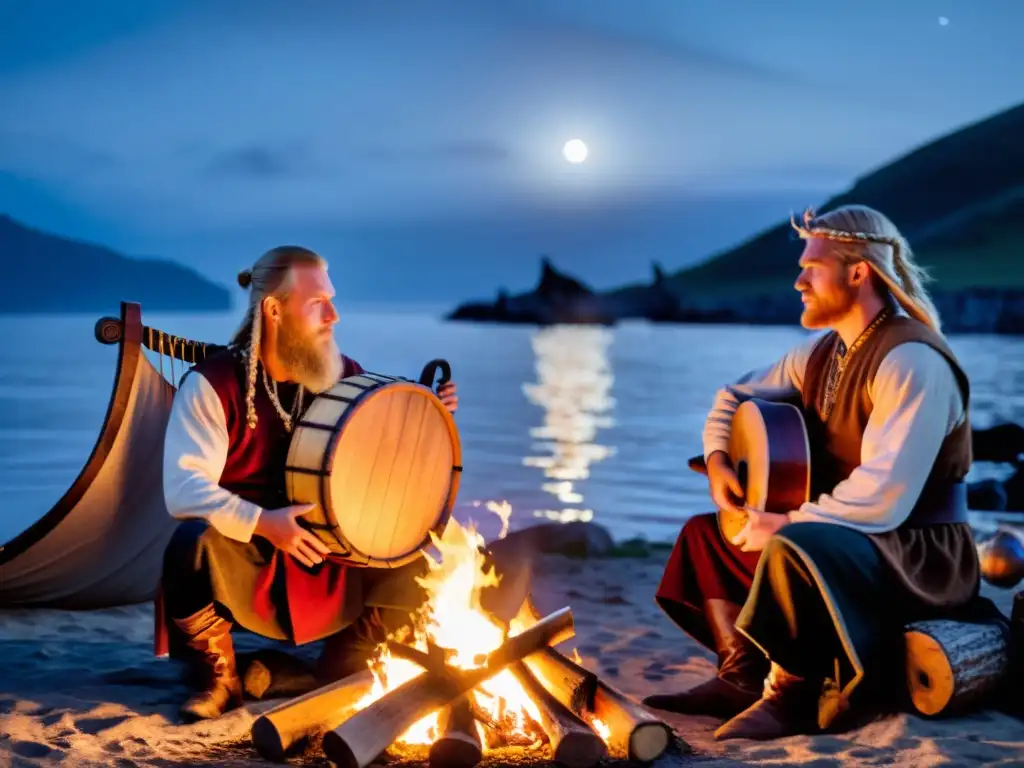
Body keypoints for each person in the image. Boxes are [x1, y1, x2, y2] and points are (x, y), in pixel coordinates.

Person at [644, 205, 1005, 740]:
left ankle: (790, 695)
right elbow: (733, 395)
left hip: (914, 553)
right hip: (846, 538)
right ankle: (741, 678)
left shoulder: (912, 360)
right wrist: (720, 458)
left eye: (811, 267)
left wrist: (787, 522)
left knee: (795, 546)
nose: (798, 281)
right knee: (708, 534)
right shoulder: (819, 355)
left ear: (857, 272)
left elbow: (886, 494)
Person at [158, 245, 460, 722]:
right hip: (251, 556)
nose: (334, 316)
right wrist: (263, 522)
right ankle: (220, 678)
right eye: (319, 302)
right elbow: (183, 488)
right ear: (273, 309)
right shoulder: (213, 384)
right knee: (190, 544)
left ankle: (348, 660)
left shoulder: (341, 375)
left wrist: (426, 408)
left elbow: (384, 431)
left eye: (332, 300)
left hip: (334, 554)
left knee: (426, 550)